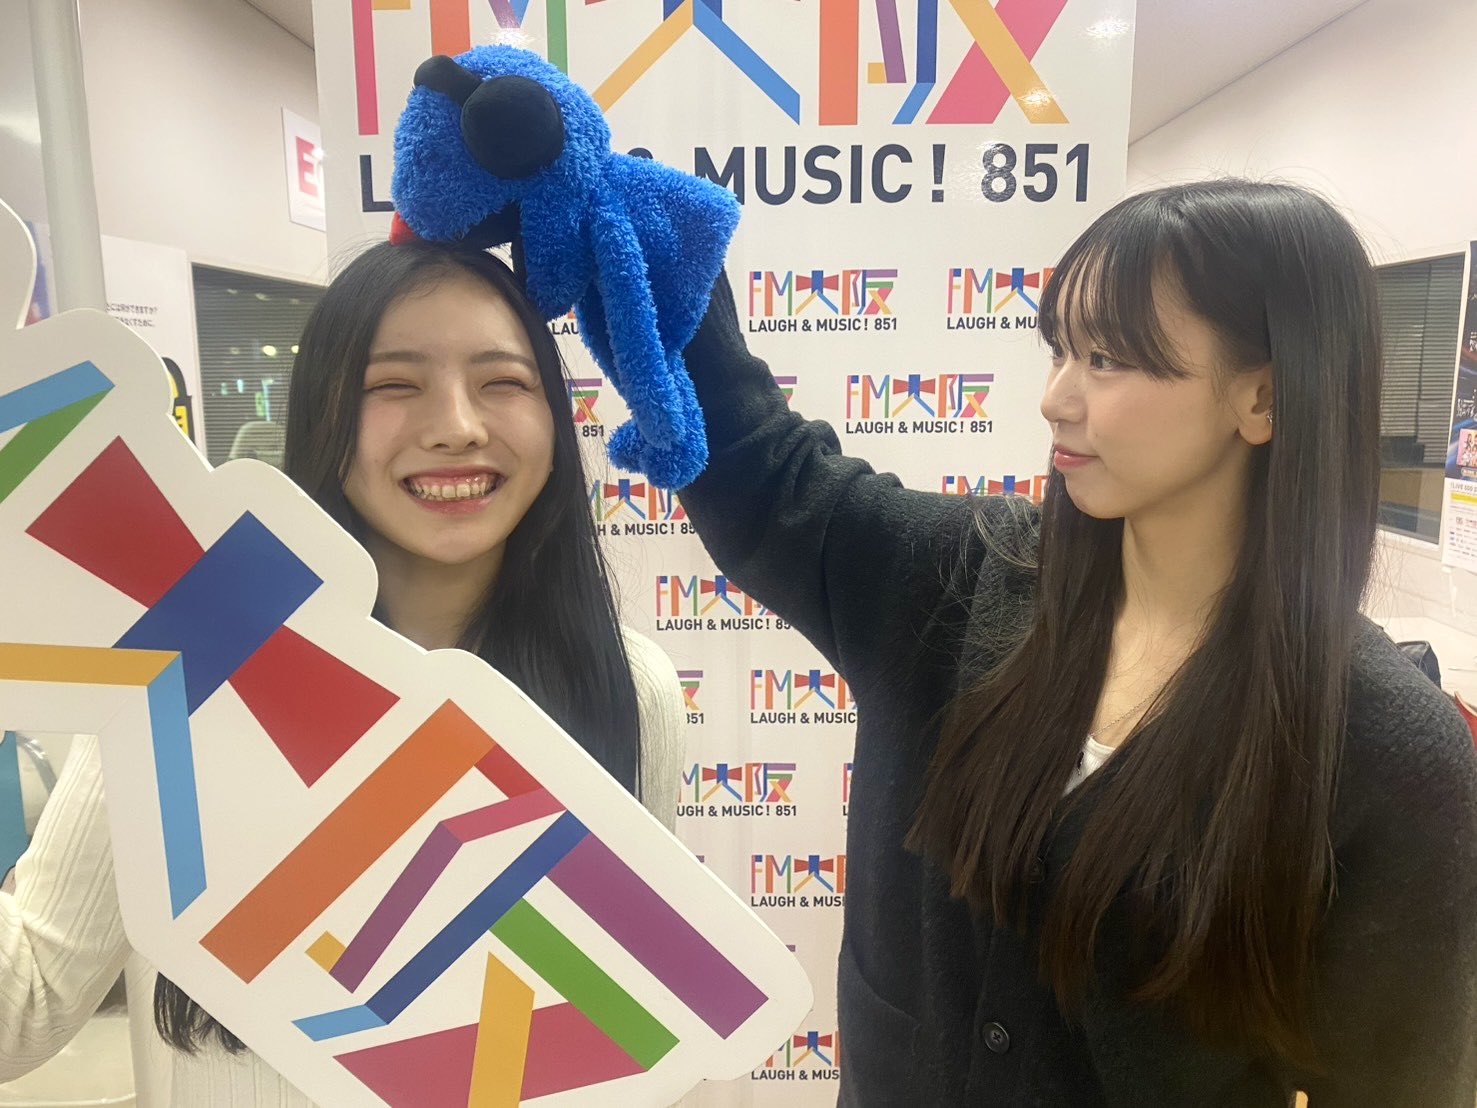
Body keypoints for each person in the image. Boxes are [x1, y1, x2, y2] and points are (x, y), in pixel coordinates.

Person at [672, 180, 1477, 1104]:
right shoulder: (956, 581)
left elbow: (1398, 1082)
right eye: (1059, 349)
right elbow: (765, 473)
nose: (1055, 398)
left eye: (1106, 358)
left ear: (1262, 397)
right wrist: (650, 245)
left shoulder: (1384, 750)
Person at [0, 240, 686, 1103]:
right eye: (393, 384)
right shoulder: (191, 656)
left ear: (554, 419)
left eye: (502, 382)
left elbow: (624, 1028)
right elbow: (23, 1011)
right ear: (322, 414)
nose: (456, 426)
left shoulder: (628, 687)